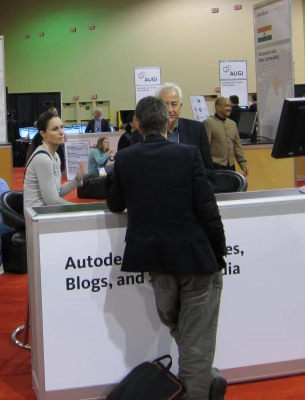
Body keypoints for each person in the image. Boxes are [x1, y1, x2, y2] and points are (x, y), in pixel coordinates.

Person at [106, 96, 227, 400]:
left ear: (137, 123)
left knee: (185, 330)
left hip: (157, 262)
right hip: (197, 260)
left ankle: (204, 381)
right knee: (196, 340)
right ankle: (201, 385)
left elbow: (115, 203)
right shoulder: (187, 155)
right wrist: (220, 250)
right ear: (167, 121)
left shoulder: (126, 158)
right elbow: (208, 209)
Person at [131, 83, 216, 187]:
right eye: (165, 104)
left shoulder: (197, 129)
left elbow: (207, 170)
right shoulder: (139, 134)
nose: (169, 109)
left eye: (174, 104)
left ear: (180, 106)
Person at [24, 110, 87, 208]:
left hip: (46, 212)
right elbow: (52, 201)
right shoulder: (43, 159)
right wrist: (80, 209)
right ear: (43, 134)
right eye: (55, 129)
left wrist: (77, 179)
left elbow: (57, 192)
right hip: (37, 216)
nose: (61, 132)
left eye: (62, 127)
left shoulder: (55, 156)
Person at [204, 97, 248, 176]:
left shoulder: (232, 124)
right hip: (215, 166)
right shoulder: (208, 123)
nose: (229, 108)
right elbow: (204, 147)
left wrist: (243, 164)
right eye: (226, 106)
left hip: (231, 166)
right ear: (218, 107)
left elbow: (237, 146)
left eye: (230, 106)